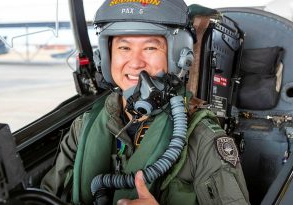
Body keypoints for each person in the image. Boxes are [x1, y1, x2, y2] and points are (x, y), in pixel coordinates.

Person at [41, 0, 250, 204]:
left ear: (179, 56)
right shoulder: (84, 127)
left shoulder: (203, 139)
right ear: (105, 57)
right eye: (124, 48)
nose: (135, 63)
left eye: (150, 48)